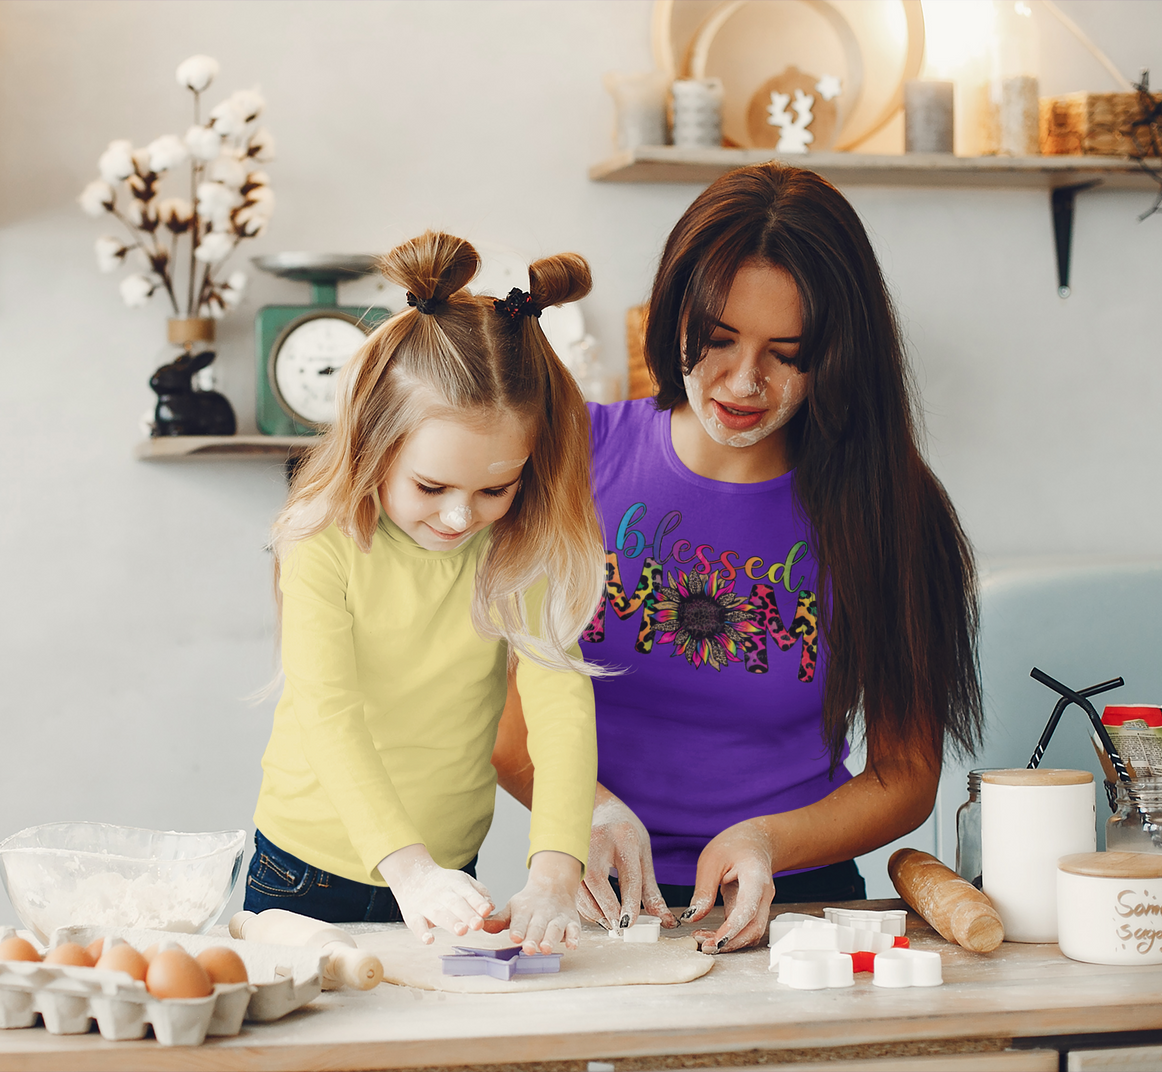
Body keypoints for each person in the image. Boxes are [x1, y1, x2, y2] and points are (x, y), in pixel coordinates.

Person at [493, 163, 982, 954]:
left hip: (800, 912)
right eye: (717, 340)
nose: (743, 381)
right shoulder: (569, 459)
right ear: (670, 311)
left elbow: (904, 773)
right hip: (596, 903)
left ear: (837, 353)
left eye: (786, 353)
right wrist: (591, 813)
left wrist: (767, 843)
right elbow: (512, 741)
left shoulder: (892, 506)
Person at [247, 231, 607, 953]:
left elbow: (560, 711)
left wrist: (556, 870)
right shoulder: (320, 542)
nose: (457, 515)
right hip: (304, 874)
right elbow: (329, 714)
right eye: (430, 485)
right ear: (373, 443)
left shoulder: (515, 552)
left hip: (447, 871)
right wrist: (406, 870)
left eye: (493, 488)